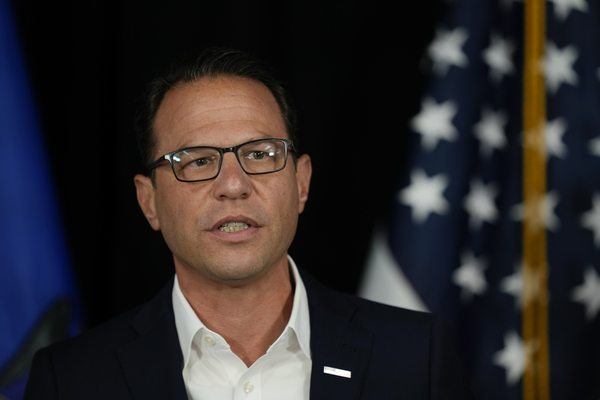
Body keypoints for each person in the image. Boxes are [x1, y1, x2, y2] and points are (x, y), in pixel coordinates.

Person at [24, 47, 473, 399]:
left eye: (259, 154)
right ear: (150, 202)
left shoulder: (417, 357)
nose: (233, 185)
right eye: (198, 162)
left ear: (301, 183)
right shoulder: (71, 379)